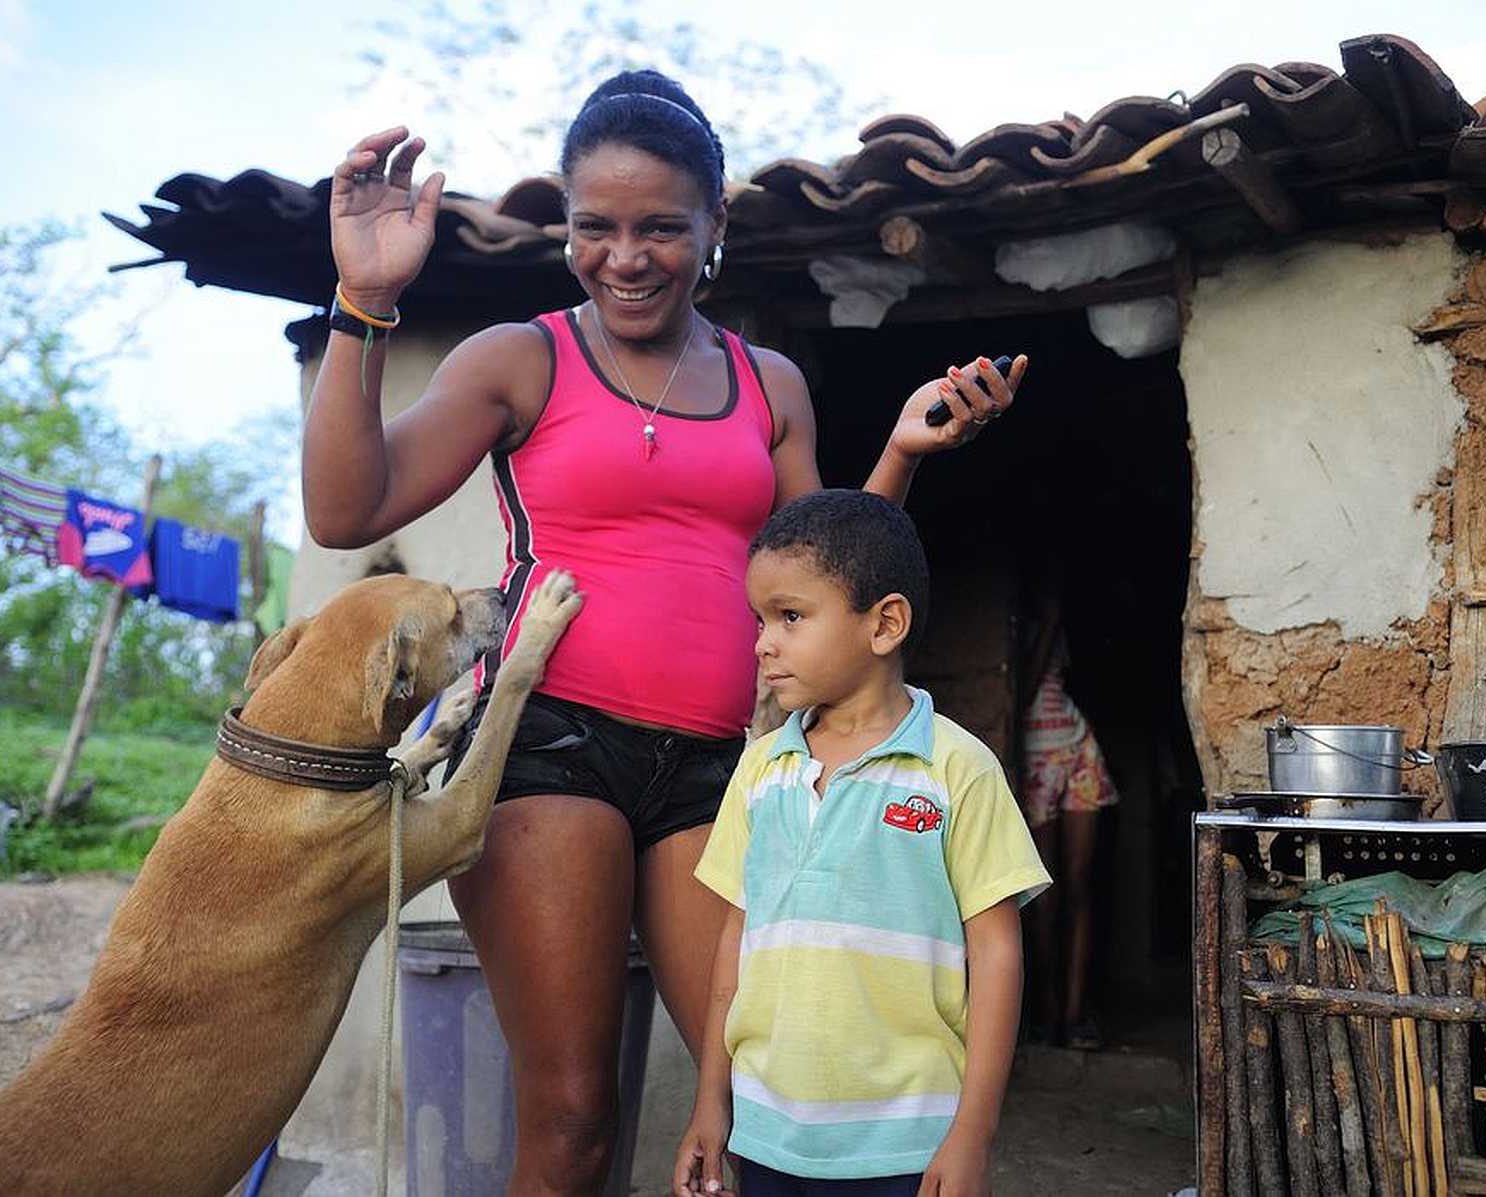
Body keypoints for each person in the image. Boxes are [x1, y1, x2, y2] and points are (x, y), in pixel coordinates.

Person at [303, 70, 1025, 1194]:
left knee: (758, 1095)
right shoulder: (519, 358)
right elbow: (344, 510)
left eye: (658, 227)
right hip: (549, 748)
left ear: (714, 227)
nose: (625, 255)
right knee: (575, 1116)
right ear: (568, 230)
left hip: (723, 775)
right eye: (596, 227)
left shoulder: (765, 383)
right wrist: (363, 303)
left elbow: (825, 577)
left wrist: (898, 455)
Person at [675, 490, 1050, 1196]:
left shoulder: (955, 767)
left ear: (885, 625)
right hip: (766, 1134)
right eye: (759, 619)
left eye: (790, 615)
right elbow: (735, 942)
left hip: (903, 1143)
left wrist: (973, 1132)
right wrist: (711, 1102)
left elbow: (997, 954)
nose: (763, 641)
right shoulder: (761, 768)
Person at [1018, 606, 1120, 1051]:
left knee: (1078, 888)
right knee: (1043, 897)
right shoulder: (1014, 618)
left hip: (1077, 747)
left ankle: (1075, 1016)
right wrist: (1049, 616)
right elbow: (1017, 692)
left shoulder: (1061, 621)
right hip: (1036, 758)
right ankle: (1048, 1014)